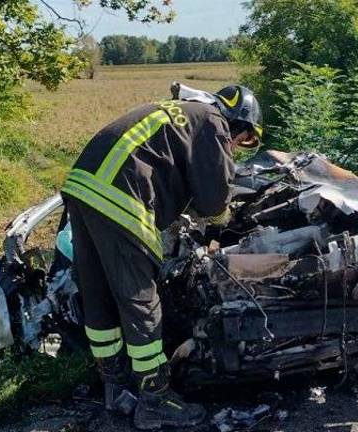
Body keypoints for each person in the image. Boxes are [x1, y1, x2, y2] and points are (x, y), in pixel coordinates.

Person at [60, 84, 263, 430]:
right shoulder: (212, 121)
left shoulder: (184, 112)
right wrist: (224, 223)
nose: (238, 148)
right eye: (242, 141)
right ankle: (156, 399)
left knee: (100, 296)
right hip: (119, 194)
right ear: (238, 123)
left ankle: (116, 386)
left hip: (83, 186)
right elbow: (214, 201)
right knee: (140, 298)